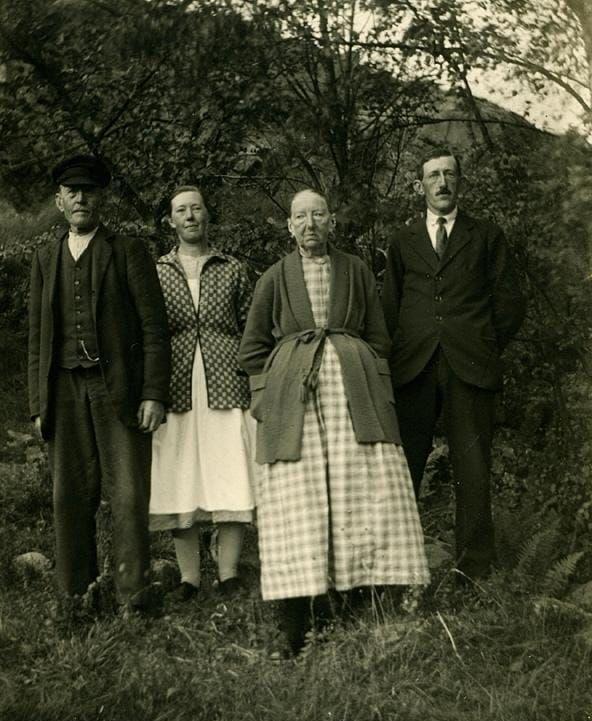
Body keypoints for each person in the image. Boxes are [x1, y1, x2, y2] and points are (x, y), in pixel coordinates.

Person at [239, 189, 429, 654]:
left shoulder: (357, 271)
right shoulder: (274, 277)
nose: (310, 225)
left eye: (318, 215)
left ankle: (355, 596)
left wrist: (364, 371)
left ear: (332, 221)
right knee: (297, 496)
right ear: (289, 226)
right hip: (294, 402)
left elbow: (380, 339)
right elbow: (251, 350)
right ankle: (296, 613)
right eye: (300, 217)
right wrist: (270, 394)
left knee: (358, 488)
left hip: (352, 396)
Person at [28, 153, 171, 610]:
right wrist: (37, 403)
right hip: (63, 392)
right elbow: (36, 337)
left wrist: (152, 393)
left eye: (89, 191)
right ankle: (77, 597)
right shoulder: (45, 257)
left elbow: (154, 329)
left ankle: (134, 599)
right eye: (73, 192)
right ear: (59, 201)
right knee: (69, 496)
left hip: (120, 392)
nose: (82, 199)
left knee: (128, 497)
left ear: (101, 198)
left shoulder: (127, 251)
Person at [381, 147, 526, 584]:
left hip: (471, 366)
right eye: (433, 176)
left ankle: (473, 572)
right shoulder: (403, 240)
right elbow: (390, 306)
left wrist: (482, 342)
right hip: (414, 368)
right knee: (404, 469)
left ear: (460, 181)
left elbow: (510, 301)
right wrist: (395, 354)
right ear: (420, 186)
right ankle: (398, 571)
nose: (442, 183)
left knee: (473, 469)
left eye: (449, 174)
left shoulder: (486, 236)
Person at [149, 186, 256, 600]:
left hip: (227, 383)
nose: (190, 216)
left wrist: (252, 378)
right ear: (170, 221)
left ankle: (228, 573)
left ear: (208, 216)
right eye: (181, 210)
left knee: (230, 474)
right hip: (173, 386)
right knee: (180, 477)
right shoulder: (157, 271)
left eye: (197, 208)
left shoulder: (231, 268)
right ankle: (189, 578)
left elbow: (251, 327)